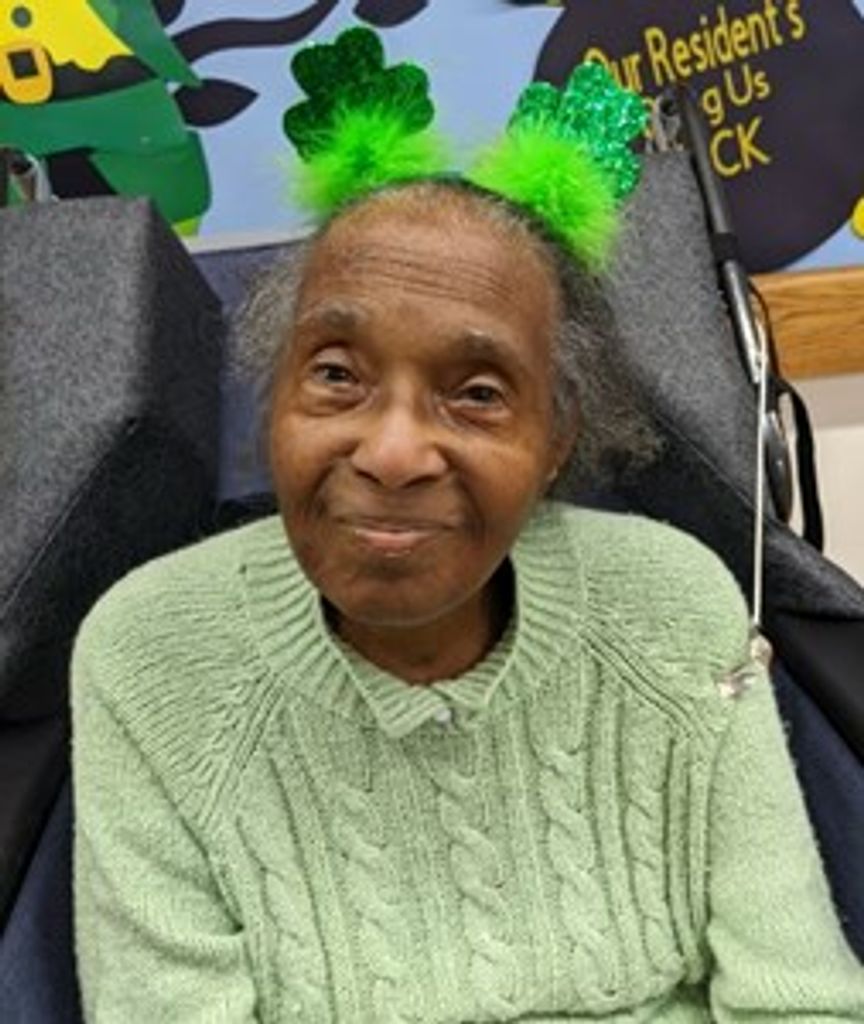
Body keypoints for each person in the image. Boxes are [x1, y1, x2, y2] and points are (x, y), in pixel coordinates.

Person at [71, 174, 864, 1021]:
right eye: (336, 374)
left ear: (555, 440)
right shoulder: (153, 659)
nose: (393, 454)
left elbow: (799, 1002)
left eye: (478, 394)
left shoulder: (673, 606)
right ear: (274, 405)